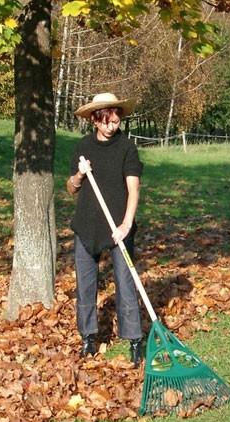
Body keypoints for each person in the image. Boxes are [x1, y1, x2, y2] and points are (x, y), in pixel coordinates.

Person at [67, 92, 144, 367]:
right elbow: (71, 188)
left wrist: (126, 224)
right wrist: (79, 174)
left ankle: (135, 340)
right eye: (107, 121)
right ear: (94, 120)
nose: (113, 126)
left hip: (119, 230)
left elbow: (133, 189)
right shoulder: (82, 148)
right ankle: (88, 338)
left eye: (116, 120)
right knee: (85, 286)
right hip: (87, 226)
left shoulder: (127, 148)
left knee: (126, 284)